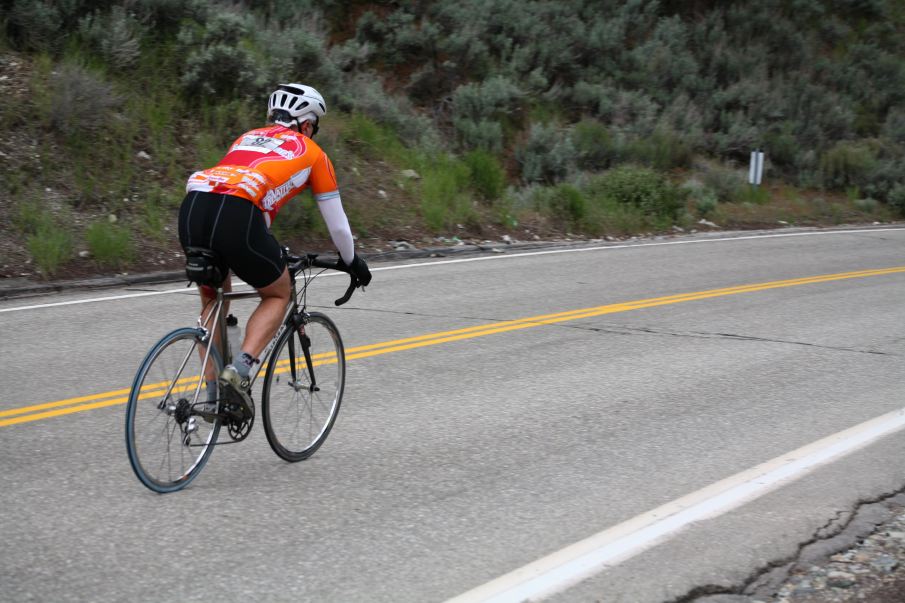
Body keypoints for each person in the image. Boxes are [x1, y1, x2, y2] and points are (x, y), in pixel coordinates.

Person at [178, 83, 371, 412]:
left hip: (194, 206)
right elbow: (338, 225)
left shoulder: (247, 137)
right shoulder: (313, 154)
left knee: (214, 299)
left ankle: (212, 396)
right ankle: (238, 374)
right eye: (314, 129)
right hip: (237, 214)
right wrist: (353, 262)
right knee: (278, 293)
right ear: (307, 125)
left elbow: (241, 186)